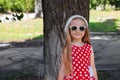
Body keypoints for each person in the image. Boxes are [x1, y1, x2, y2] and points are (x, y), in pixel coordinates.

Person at [57, 15, 98, 80]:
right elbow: (62, 69)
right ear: (69, 30)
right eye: (74, 28)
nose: (77, 31)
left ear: (85, 30)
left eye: (81, 28)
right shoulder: (67, 48)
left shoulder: (89, 47)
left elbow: (92, 67)